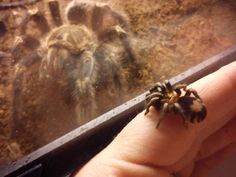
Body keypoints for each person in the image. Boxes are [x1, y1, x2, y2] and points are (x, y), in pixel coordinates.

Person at [74, 61, 236, 177]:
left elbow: (183, 91)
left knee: (180, 96)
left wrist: (178, 121)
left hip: (189, 108)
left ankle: (186, 119)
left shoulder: (173, 100)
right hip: (186, 106)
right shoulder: (165, 99)